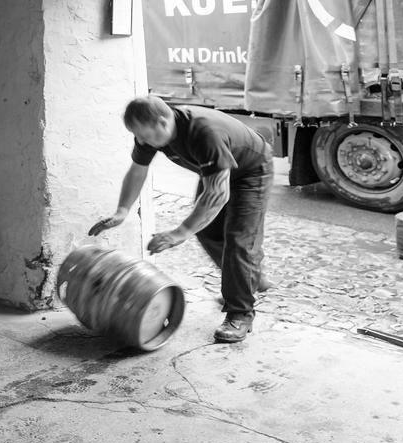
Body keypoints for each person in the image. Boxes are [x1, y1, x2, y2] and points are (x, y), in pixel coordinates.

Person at [89, 95, 273, 343]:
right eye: (138, 136)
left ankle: (240, 313)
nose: (142, 141)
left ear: (163, 122)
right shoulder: (149, 133)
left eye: (145, 136)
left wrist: (179, 233)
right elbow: (137, 170)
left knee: (239, 238)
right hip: (217, 172)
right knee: (208, 231)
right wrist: (122, 210)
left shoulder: (203, 132)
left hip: (251, 171)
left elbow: (217, 194)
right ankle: (248, 277)